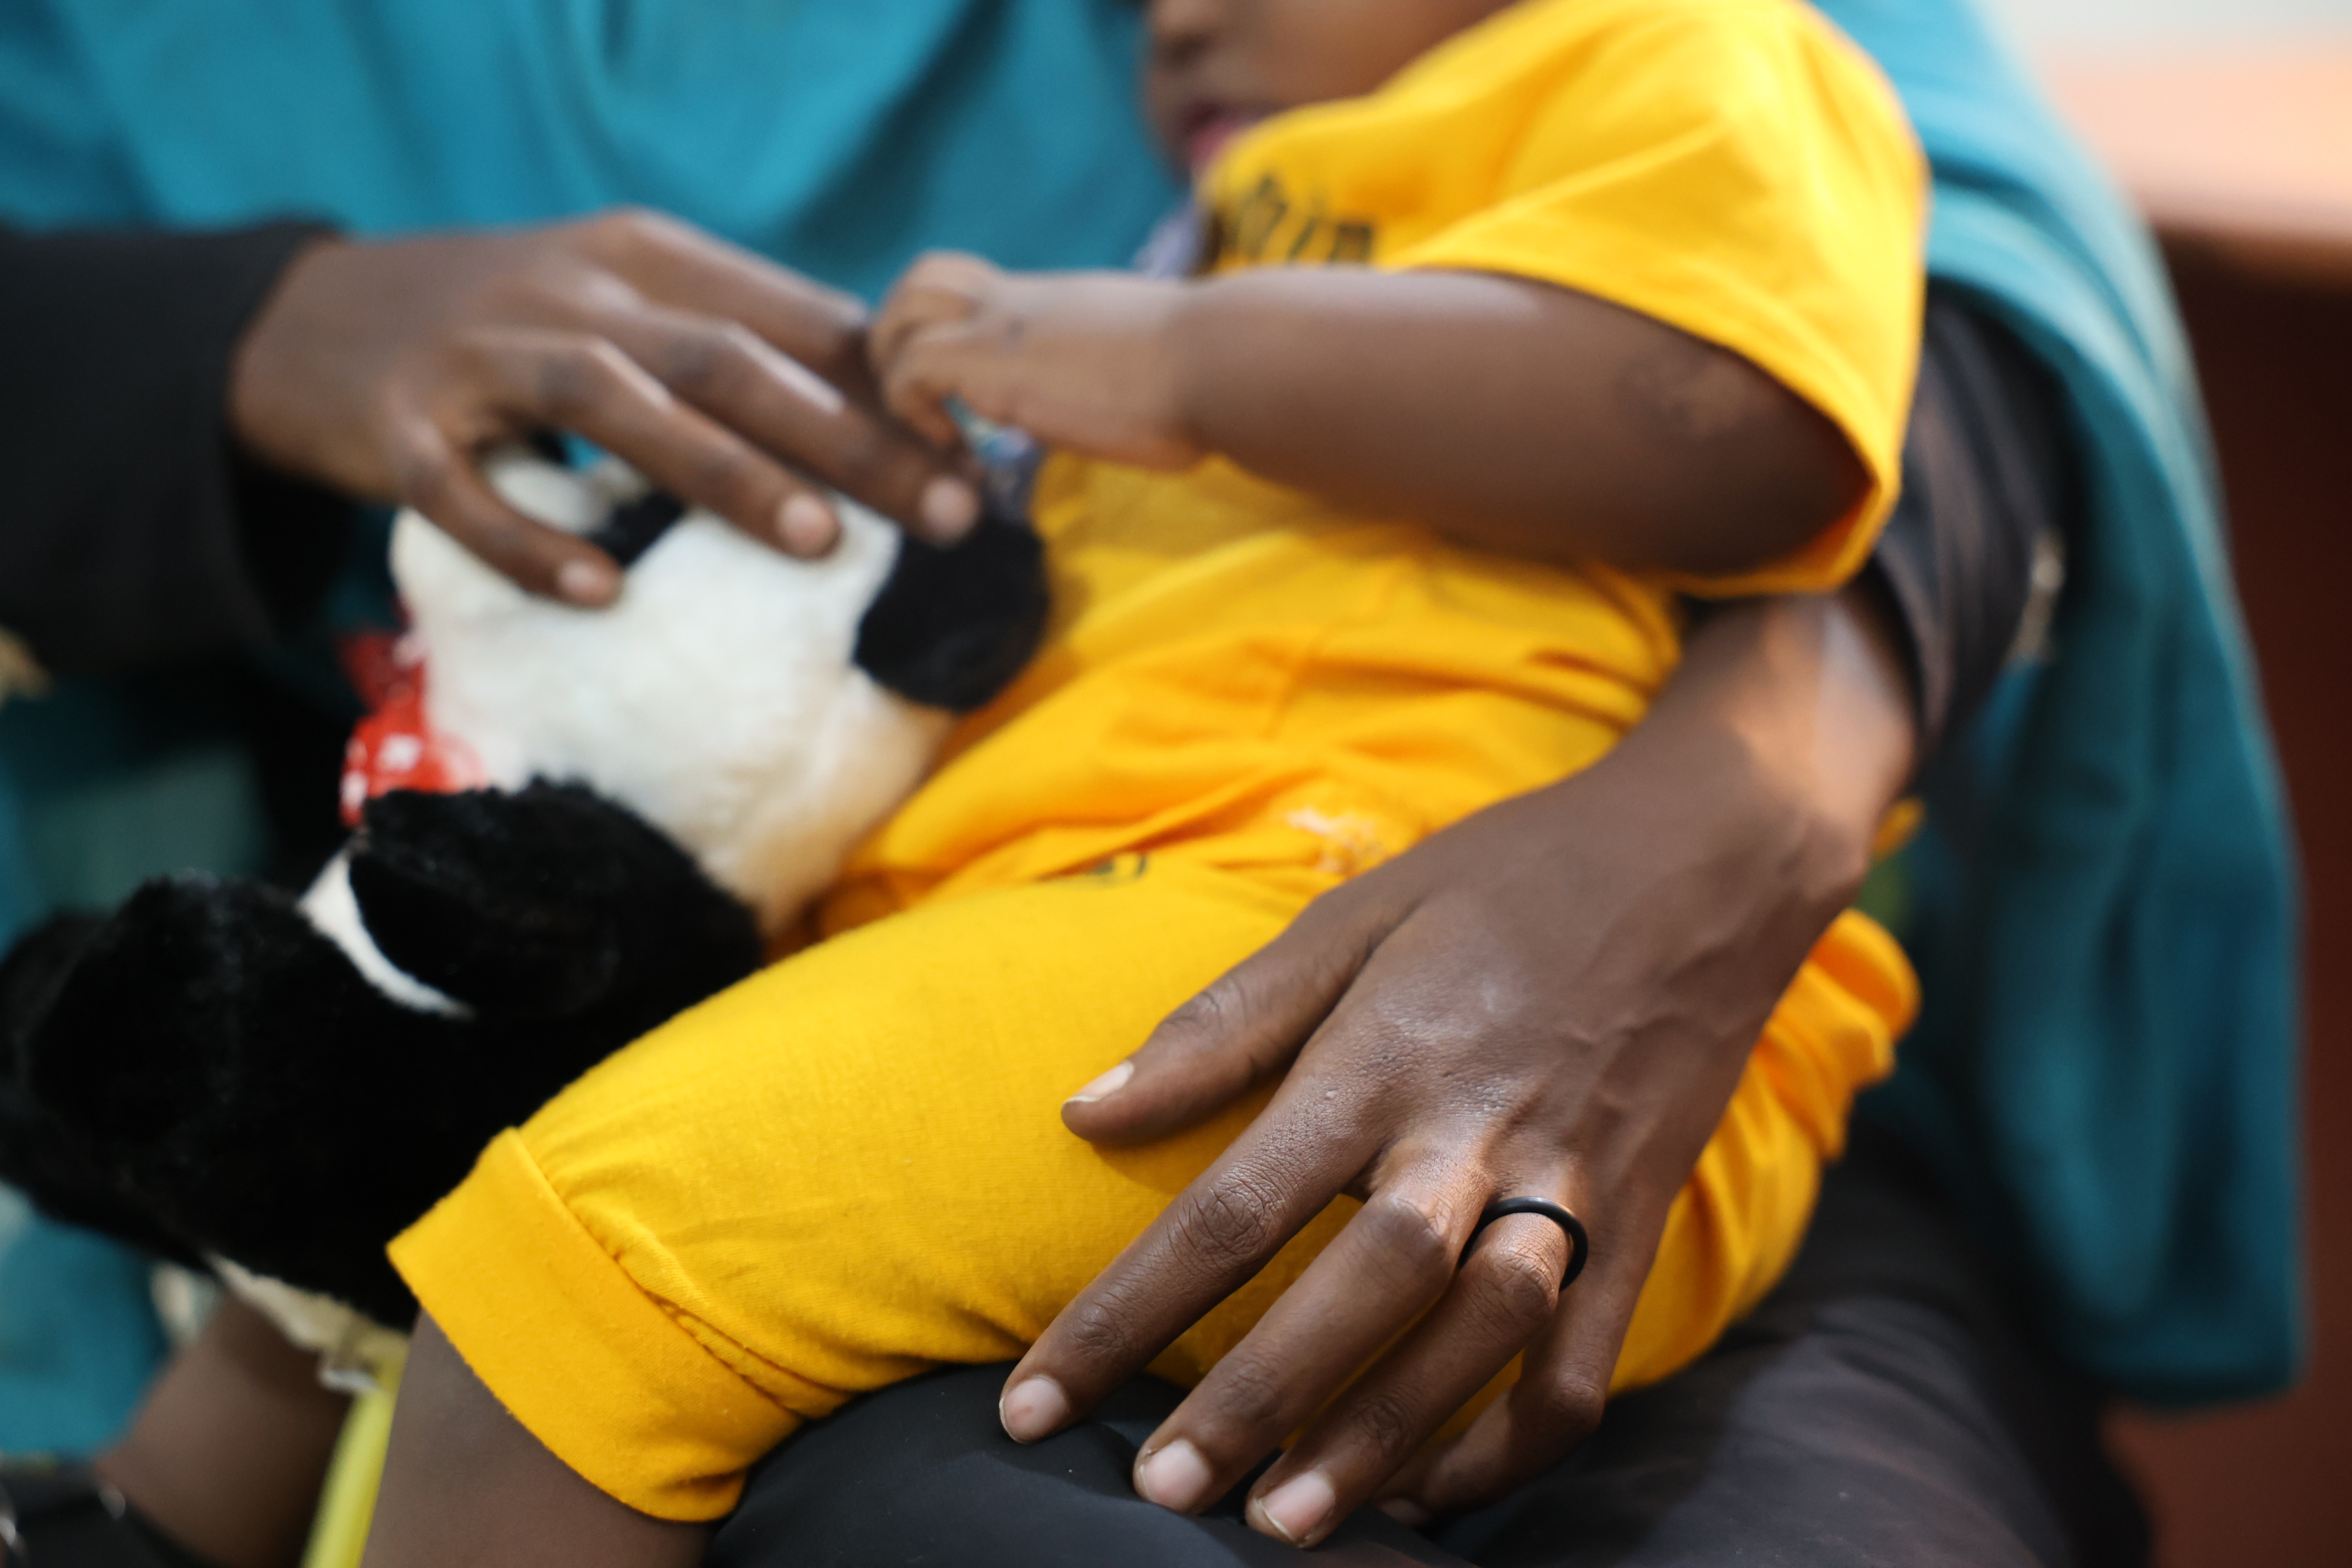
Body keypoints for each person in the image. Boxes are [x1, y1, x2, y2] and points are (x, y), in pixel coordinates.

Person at [0, 0, 2295, 1564]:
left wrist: (1744, 784)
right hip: (893, 940)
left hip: (1429, 943)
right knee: (424, 1239)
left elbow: (1796, 371)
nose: (1161, 23)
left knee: (558, 1273)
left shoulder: (1608, 91)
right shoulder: (1247, 187)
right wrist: (233, 342)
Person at [366, 0, 1925, 1552]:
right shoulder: (1236, 222)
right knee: (371, 1217)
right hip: (1161, 923)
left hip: (1385, 955)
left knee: (578, 1271)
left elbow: (1741, 417)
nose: (1175, 17)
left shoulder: (1688, 52)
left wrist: (1174, 359)